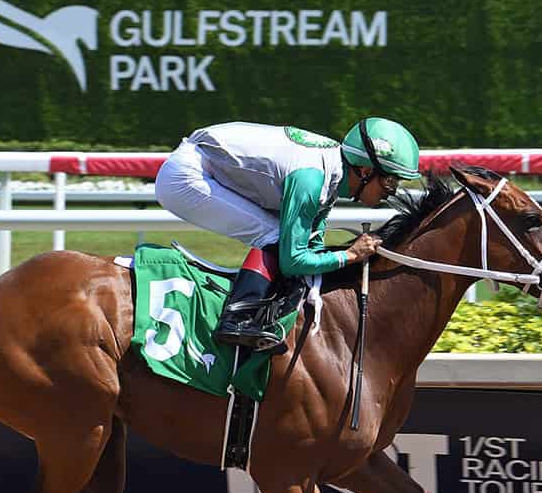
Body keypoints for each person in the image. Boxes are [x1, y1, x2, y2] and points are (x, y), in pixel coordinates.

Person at [154, 117, 421, 349]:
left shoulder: (331, 170)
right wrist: (349, 255)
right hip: (186, 177)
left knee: (281, 238)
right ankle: (237, 319)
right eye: (389, 180)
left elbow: (311, 244)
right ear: (365, 171)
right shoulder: (312, 179)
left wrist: (328, 257)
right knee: (275, 236)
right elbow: (292, 259)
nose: (392, 191)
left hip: (205, 163)